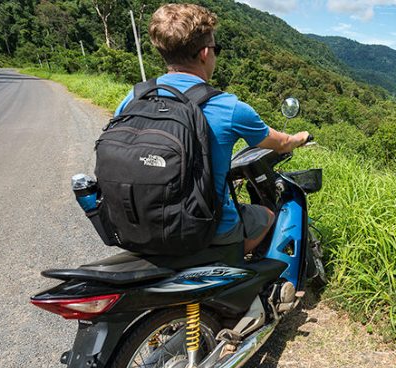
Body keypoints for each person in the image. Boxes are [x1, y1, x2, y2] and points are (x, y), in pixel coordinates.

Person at [115, 3, 310, 255]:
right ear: (205, 53)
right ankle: (245, 270)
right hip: (205, 230)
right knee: (268, 215)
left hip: (137, 223)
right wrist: (300, 137)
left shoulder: (134, 97)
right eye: (216, 49)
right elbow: (281, 143)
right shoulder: (228, 107)